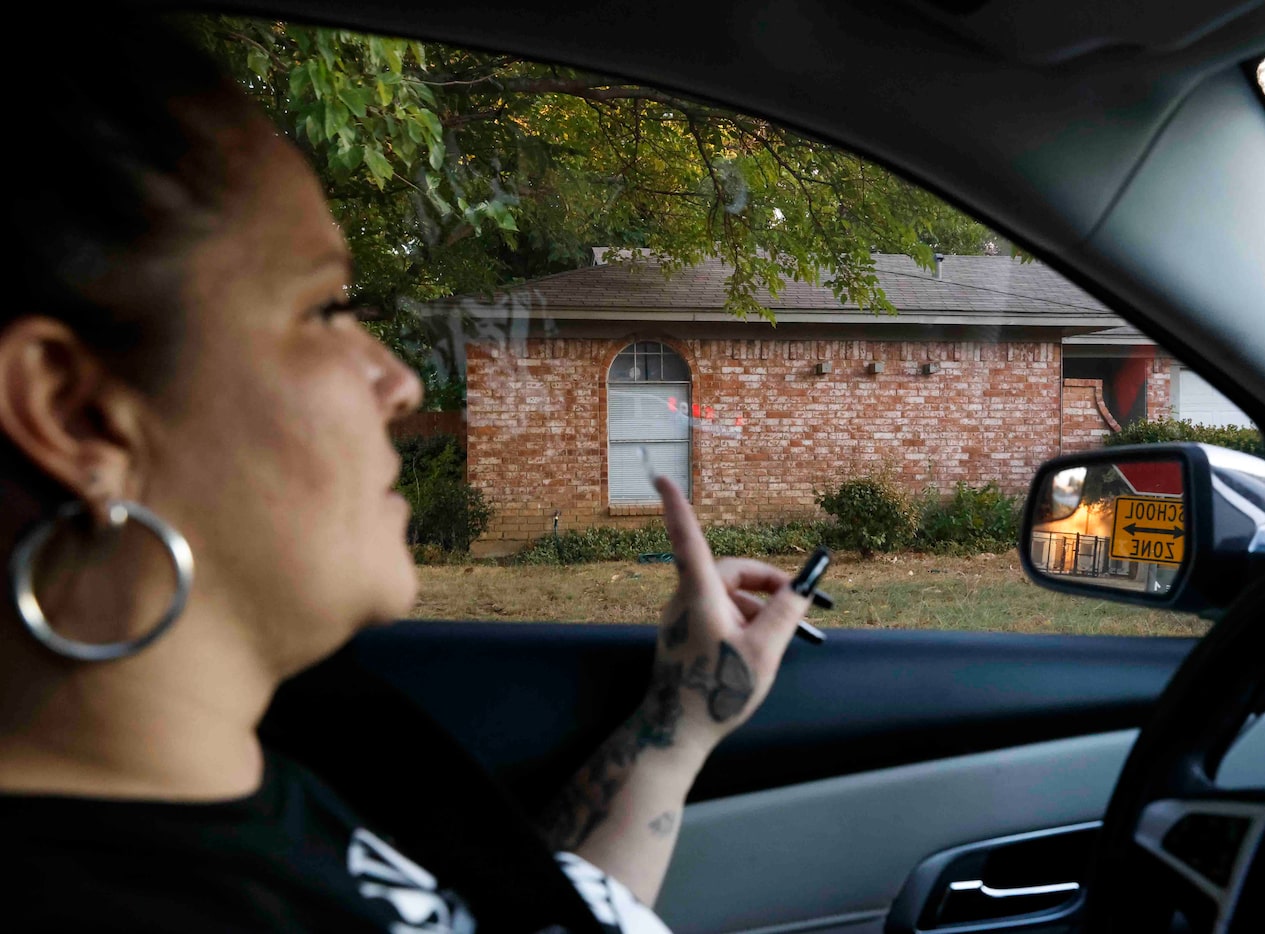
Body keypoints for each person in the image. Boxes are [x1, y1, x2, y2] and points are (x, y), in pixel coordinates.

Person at [0, 10, 811, 932]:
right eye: (323, 308)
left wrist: (680, 722)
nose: (396, 380)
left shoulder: (288, 738)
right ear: (78, 416)